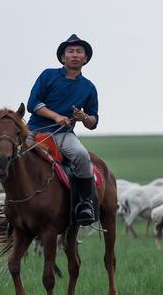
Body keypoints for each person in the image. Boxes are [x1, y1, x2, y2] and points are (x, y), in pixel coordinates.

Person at [26, 34, 99, 226]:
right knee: (14, 156)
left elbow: (93, 122)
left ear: (85, 58)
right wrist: (57, 116)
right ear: (62, 57)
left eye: (79, 52)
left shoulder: (89, 88)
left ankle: (85, 203)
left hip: (63, 135)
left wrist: (84, 118)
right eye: (70, 51)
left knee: (82, 155)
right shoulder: (48, 75)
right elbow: (32, 104)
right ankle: (10, 204)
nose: (75, 55)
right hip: (34, 130)